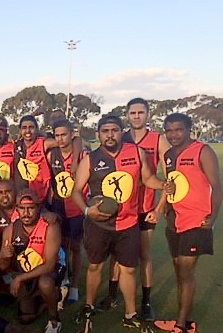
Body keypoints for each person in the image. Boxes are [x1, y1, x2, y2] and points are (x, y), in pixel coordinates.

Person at [71, 114, 170, 332]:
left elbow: (147, 179)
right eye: (105, 131)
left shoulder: (136, 152)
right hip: (99, 225)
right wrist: (87, 211)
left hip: (128, 224)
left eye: (114, 130)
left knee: (129, 270)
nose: (109, 135)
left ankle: (130, 313)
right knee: (95, 266)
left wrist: (163, 185)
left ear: (121, 131)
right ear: (98, 133)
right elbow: (76, 191)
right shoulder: (90, 158)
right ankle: (88, 306)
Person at [100, 98, 171, 320]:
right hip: (122, 208)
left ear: (148, 115)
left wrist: (159, 209)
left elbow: (170, 179)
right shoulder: (121, 137)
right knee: (116, 255)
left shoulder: (158, 140)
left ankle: (146, 302)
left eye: (141, 112)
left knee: (143, 254)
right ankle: (112, 296)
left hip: (147, 207)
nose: (137, 116)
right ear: (128, 115)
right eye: (133, 113)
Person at [154, 113, 223, 333]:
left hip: (196, 221)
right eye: (169, 130)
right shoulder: (168, 155)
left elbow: (217, 188)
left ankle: (180, 326)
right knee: (179, 271)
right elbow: (172, 183)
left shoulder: (203, 151)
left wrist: (212, 218)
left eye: (179, 129)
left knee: (186, 271)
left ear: (189, 129)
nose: (173, 134)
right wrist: (165, 207)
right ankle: (186, 320)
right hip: (175, 219)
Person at [0, 189, 63, 333]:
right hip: (27, 275)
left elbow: (50, 265)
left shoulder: (50, 226)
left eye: (30, 208)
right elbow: (2, 266)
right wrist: (3, 256)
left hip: (48, 273)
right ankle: (47, 301)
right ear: (17, 210)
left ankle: (54, 319)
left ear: (38, 208)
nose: (26, 213)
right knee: (25, 318)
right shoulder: (10, 230)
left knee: (45, 283)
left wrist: (20, 278)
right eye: (22, 208)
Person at [47, 119, 89, 303]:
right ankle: (63, 279)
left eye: (64, 134)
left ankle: (75, 286)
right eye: (57, 135)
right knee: (61, 245)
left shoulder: (83, 155)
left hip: (77, 206)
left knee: (76, 246)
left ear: (72, 134)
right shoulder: (51, 155)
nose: (61, 139)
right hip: (58, 205)